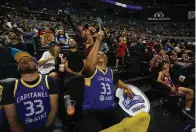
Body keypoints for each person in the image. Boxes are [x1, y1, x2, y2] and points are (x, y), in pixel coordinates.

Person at [83, 28, 134, 132]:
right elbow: (89, 64)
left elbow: (116, 81)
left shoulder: (110, 72)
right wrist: (98, 40)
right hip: (92, 111)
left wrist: (126, 87)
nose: (101, 55)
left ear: (106, 59)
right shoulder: (92, 70)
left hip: (110, 109)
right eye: (98, 54)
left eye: (103, 54)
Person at [0, 51, 63, 132]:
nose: (23, 61)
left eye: (28, 59)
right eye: (20, 61)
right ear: (18, 67)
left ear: (37, 65)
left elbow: (54, 108)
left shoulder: (48, 80)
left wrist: (46, 127)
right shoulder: (10, 87)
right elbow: (13, 120)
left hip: (48, 124)